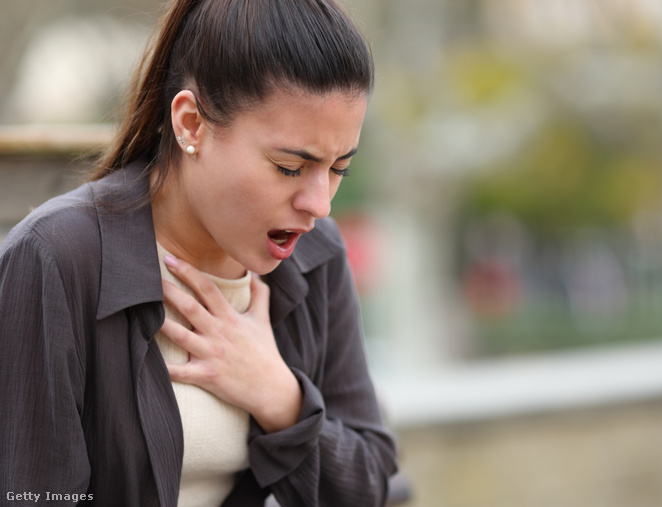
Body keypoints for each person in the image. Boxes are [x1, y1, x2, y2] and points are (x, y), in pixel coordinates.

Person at [0, 0, 398, 505]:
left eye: (339, 168)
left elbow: (368, 489)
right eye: (290, 167)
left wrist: (281, 399)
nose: (318, 204)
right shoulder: (56, 260)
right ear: (191, 123)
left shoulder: (315, 256)